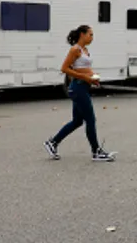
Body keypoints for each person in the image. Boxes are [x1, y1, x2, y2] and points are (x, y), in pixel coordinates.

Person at [43, 25, 116, 162]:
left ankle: (52, 143)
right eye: (90, 34)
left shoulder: (85, 50)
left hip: (83, 87)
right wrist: (85, 77)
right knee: (90, 120)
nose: (92, 38)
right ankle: (96, 151)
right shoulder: (75, 49)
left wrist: (93, 77)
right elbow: (64, 68)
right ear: (82, 34)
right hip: (78, 88)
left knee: (77, 121)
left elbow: (84, 68)